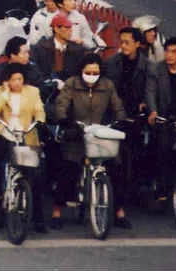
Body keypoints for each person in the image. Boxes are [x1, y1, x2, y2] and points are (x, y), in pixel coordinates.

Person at [51, 55, 128, 230]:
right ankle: (57, 212)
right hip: (76, 132)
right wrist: (64, 119)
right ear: (81, 71)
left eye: (96, 72)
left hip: (99, 134)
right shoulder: (71, 83)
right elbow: (61, 104)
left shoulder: (108, 85)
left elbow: (118, 107)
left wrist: (120, 120)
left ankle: (119, 212)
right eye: (88, 72)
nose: (92, 75)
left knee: (116, 168)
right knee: (68, 169)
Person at [0, 63, 46, 231]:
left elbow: (39, 110)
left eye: (20, 79)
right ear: (7, 80)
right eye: (13, 79)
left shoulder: (33, 92)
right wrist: (5, 93)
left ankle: (38, 219)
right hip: (5, 132)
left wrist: (39, 121)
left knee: (35, 173)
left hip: (26, 134)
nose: (17, 82)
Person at [145, 37, 176, 204]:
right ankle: (162, 190)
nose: (169, 55)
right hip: (163, 119)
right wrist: (153, 111)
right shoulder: (156, 70)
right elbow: (150, 93)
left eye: (173, 52)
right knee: (163, 151)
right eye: (167, 51)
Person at [104, 27, 150, 117]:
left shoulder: (147, 65)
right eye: (121, 42)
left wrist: (145, 102)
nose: (123, 46)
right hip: (115, 109)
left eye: (127, 42)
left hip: (138, 110)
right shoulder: (111, 62)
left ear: (137, 44)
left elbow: (150, 90)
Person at [31, 12, 86, 80]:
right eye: (67, 27)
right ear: (56, 29)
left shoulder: (78, 49)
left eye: (71, 27)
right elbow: (37, 72)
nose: (71, 30)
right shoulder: (40, 48)